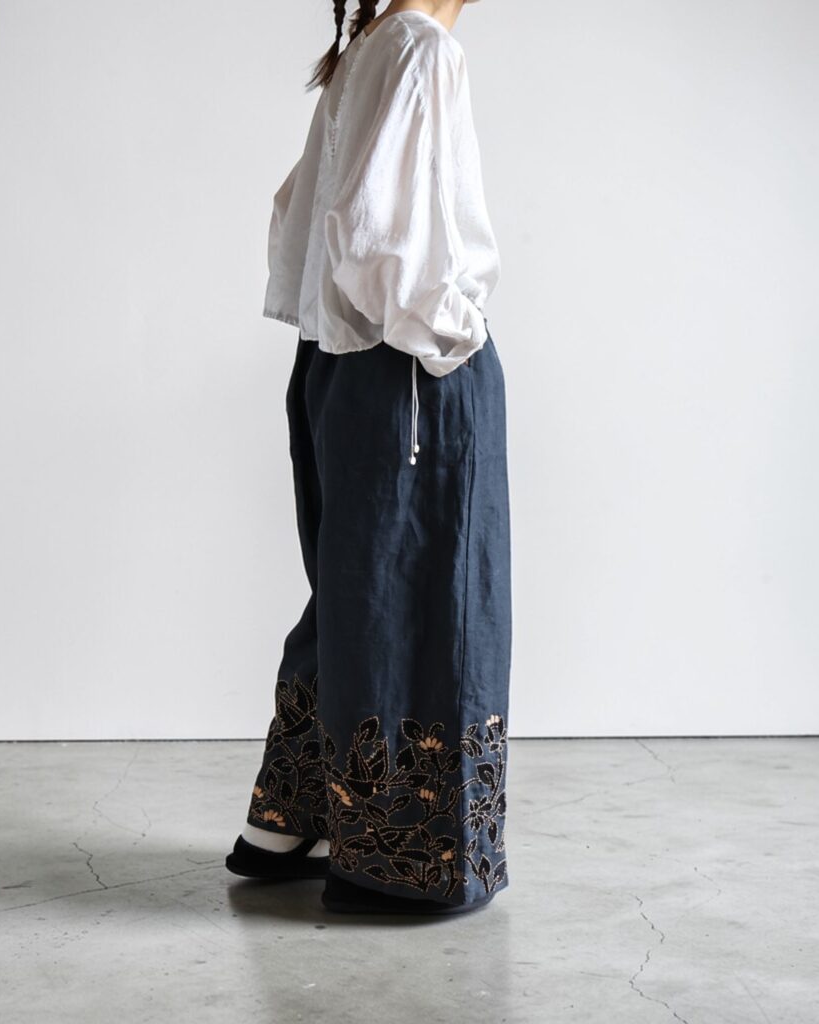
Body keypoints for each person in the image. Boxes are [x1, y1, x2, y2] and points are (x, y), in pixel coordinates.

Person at [225, 0, 511, 916]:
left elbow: (302, 217)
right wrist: (457, 336)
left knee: (355, 591)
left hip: (336, 366)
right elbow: (387, 241)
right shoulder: (422, 47)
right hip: (409, 370)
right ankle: (399, 870)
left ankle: (287, 824)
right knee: (428, 601)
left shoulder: (368, 46)